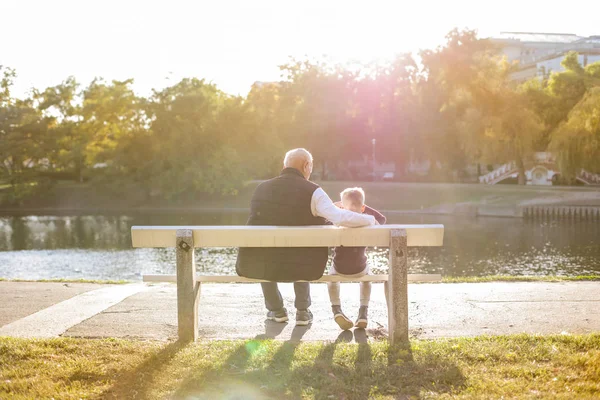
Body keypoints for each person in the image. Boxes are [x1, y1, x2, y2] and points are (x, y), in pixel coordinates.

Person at [236, 149, 377, 326]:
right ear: (306, 166)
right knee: (301, 252)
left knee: (265, 251)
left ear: (284, 166)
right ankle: (302, 312)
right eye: (310, 167)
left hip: (262, 263)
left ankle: (276, 310)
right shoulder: (314, 192)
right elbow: (340, 217)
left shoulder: (261, 188)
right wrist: (370, 219)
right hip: (301, 265)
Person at [328, 187, 386, 330]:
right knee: (368, 276)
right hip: (360, 268)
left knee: (331, 277)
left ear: (342, 206)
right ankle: (363, 312)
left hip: (339, 267)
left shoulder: (338, 221)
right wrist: (361, 207)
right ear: (363, 207)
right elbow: (382, 219)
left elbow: (324, 219)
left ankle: (336, 309)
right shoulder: (367, 220)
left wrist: (337, 206)